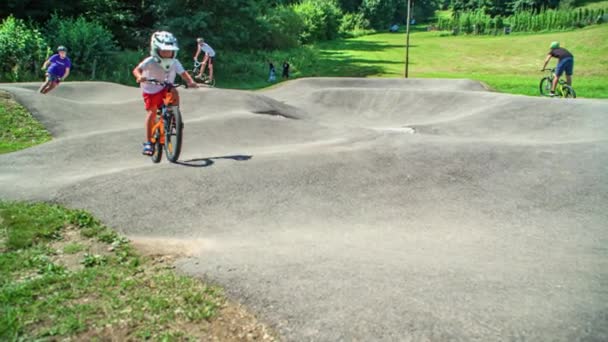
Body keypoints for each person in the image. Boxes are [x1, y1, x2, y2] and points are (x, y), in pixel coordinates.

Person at [133, 31, 197, 156]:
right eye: (164, 51)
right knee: (152, 113)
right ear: (156, 50)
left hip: (166, 86)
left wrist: (190, 82)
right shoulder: (150, 61)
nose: (167, 53)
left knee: (174, 91)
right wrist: (140, 76)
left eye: (170, 51)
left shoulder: (175, 62)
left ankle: (174, 116)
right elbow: (137, 69)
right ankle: (148, 143)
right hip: (150, 89)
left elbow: (183, 73)